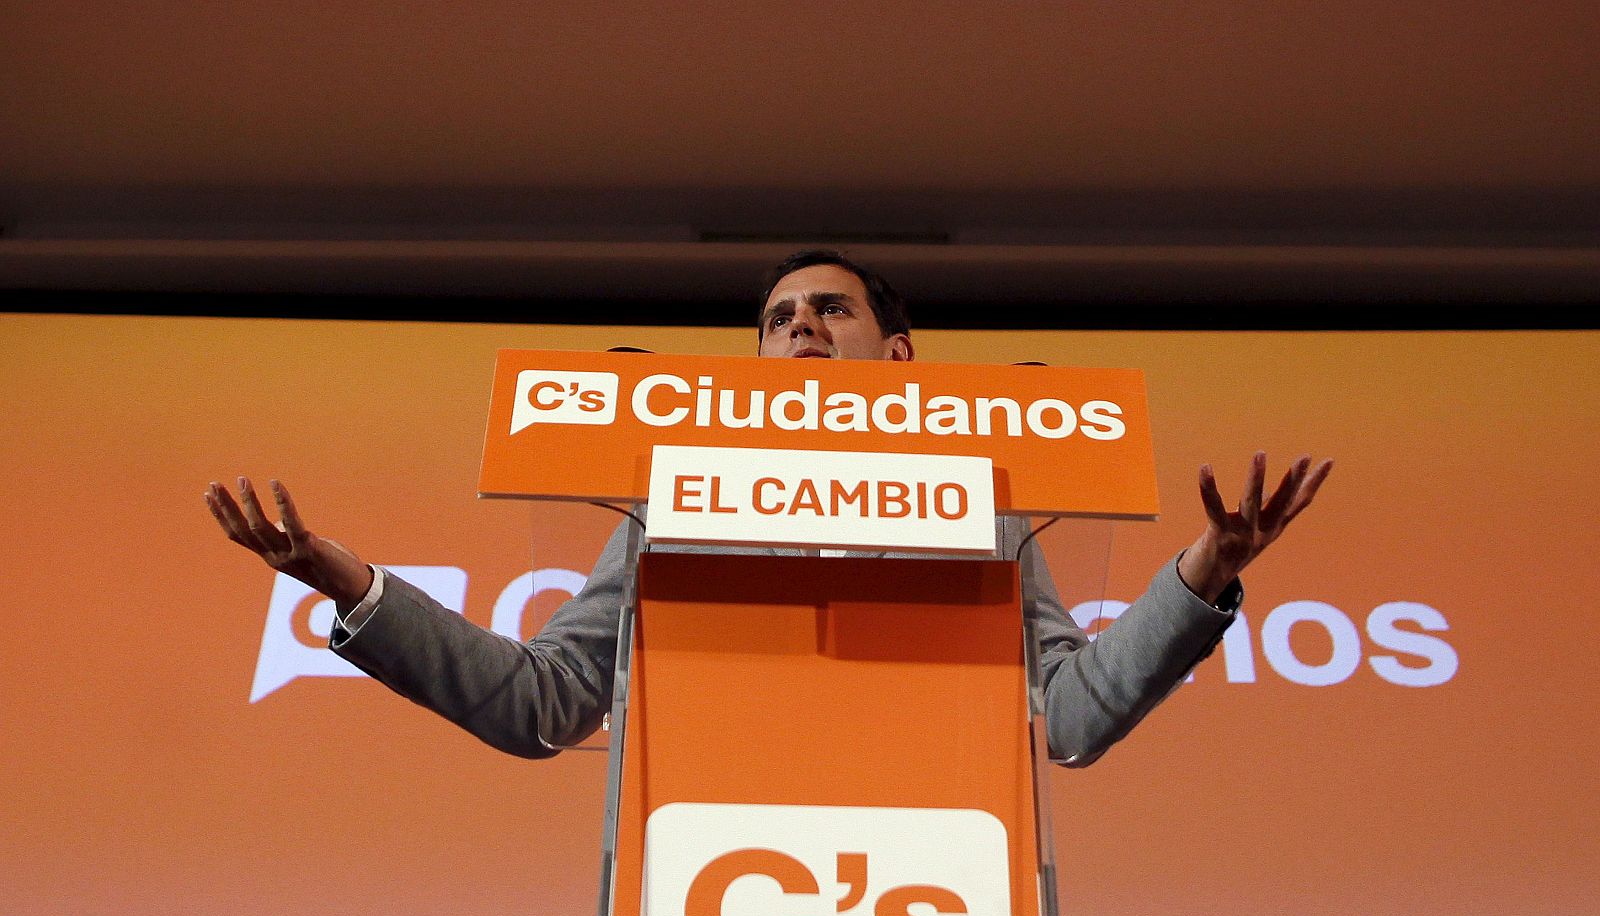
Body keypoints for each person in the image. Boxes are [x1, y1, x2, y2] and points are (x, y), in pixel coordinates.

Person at [205, 250, 1331, 765]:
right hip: (705, 876)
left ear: (895, 357)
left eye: (828, 311)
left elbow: (1071, 716)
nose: (798, 328)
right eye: (779, 316)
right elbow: (541, 704)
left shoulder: (982, 506)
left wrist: (1200, 574)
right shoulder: (674, 502)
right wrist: (347, 584)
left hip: (943, 887)